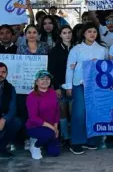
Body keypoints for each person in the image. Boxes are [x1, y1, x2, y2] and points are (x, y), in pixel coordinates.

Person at [64, 23, 108, 155]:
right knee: (79, 112)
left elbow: (107, 67)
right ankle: (76, 142)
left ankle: (92, 140)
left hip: (96, 85)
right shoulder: (76, 49)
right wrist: (68, 86)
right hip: (79, 83)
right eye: (89, 31)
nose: (92, 34)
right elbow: (69, 68)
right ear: (84, 33)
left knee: (94, 111)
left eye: (94, 31)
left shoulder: (102, 50)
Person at [26, 70, 60, 160]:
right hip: (34, 127)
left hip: (50, 128)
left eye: (47, 79)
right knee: (49, 133)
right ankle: (35, 146)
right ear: (37, 82)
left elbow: (57, 111)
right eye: (42, 79)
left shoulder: (52, 93)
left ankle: (42, 141)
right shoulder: (32, 96)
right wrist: (52, 128)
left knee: (55, 152)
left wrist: (56, 127)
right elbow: (33, 118)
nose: (45, 81)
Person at [48, 25, 74, 145]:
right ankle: (65, 136)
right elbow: (51, 70)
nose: (67, 35)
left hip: (74, 85)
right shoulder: (55, 50)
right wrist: (56, 87)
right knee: (62, 111)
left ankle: (75, 135)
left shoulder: (76, 48)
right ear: (60, 35)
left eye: (69, 32)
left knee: (73, 110)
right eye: (64, 33)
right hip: (60, 85)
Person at [0, 63, 21, 158]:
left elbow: (13, 109)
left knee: (16, 122)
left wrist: (4, 119)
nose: (1, 74)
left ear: (7, 74)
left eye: (3, 72)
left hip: (3, 117)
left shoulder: (10, 88)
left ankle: (1, 148)